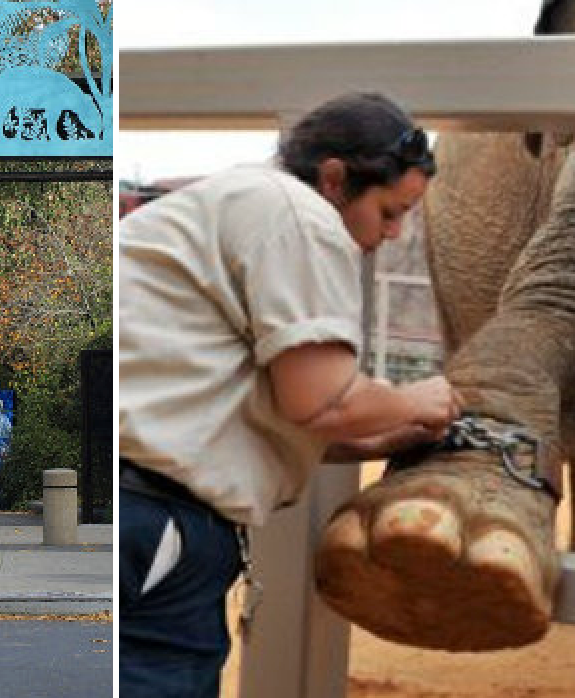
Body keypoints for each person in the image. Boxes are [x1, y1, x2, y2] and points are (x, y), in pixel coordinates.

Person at [119, 91, 460, 697]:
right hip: (158, 518)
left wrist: (389, 434)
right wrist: (420, 401)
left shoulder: (230, 204)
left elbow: (271, 412)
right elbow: (322, 401)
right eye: (389, 211)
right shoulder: (299, 215)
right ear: (334, 179)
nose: (393, 233)